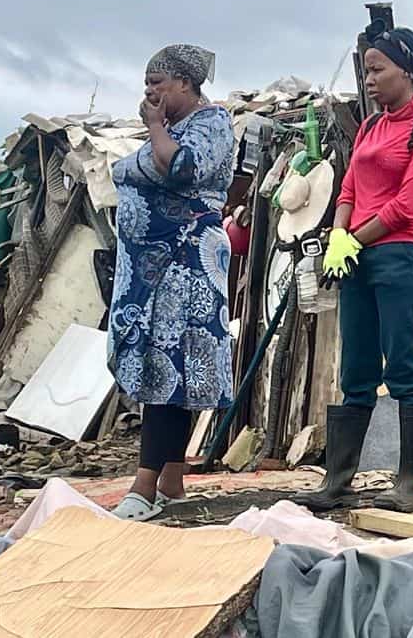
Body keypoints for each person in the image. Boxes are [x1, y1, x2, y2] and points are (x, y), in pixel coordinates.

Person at [293, 24, 413, 513]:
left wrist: (354, 239)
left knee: (403, 367)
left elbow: (407, 204)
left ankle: (411, 484)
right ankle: (337, 482)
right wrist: (339, 235)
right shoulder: (369, 127)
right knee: (356, 368)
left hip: (401, 258)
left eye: (378, 69)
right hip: (356, 257)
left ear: (408, 70)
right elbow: (349, 190)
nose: (370, 78)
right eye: (366, 70)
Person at [108, 44, 235, 521]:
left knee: (171, 362)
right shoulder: (175, 128)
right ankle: (171, 482)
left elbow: (181, 168)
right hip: (157, 270)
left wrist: (156, 129)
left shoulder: (212, 123)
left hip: (188, 262)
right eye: (146, 82)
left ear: (185, 84)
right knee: (167, 363)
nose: (149, 90)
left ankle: (143, 486)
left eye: (158, 81)